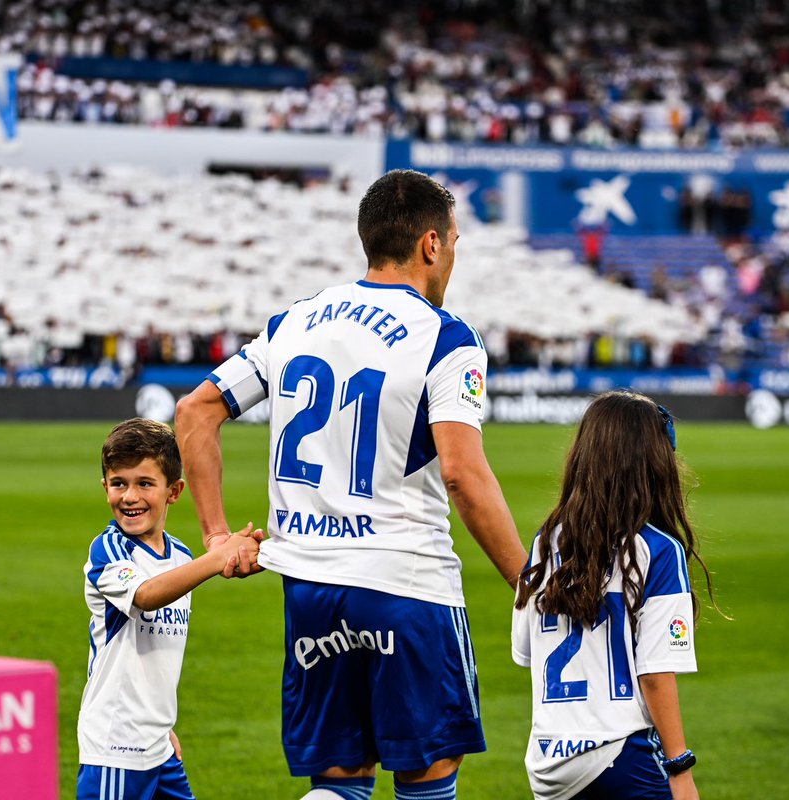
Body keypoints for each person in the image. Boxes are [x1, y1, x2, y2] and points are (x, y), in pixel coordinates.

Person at [174, 170, 528, 800]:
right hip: (407, 584)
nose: (453, 257)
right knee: (426, 780)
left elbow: (194, 411)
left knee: (340, 784)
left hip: (310, 587)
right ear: (431, 244)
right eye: (453, 243)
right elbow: (462, 474)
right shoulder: (445, 336)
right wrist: (528, 585)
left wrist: (217, 536)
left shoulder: (294, 322)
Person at [511, 391, 715, 800]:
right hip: (622, 756)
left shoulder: (547, 541)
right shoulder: (658, 549)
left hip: (549, 764)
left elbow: (525, 650)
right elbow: (655, 674)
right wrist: (679, 767)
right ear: (654, 462)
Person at [77, 418, 256, 800]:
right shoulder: (109, 549)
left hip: (157, 745)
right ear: (105, 487)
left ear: (174, 491)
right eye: (119, 483)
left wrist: (161, 726)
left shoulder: (180, 556)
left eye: (145, 483)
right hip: (116, 747)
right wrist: (219, 557)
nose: (130, 496)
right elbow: (146, 595)